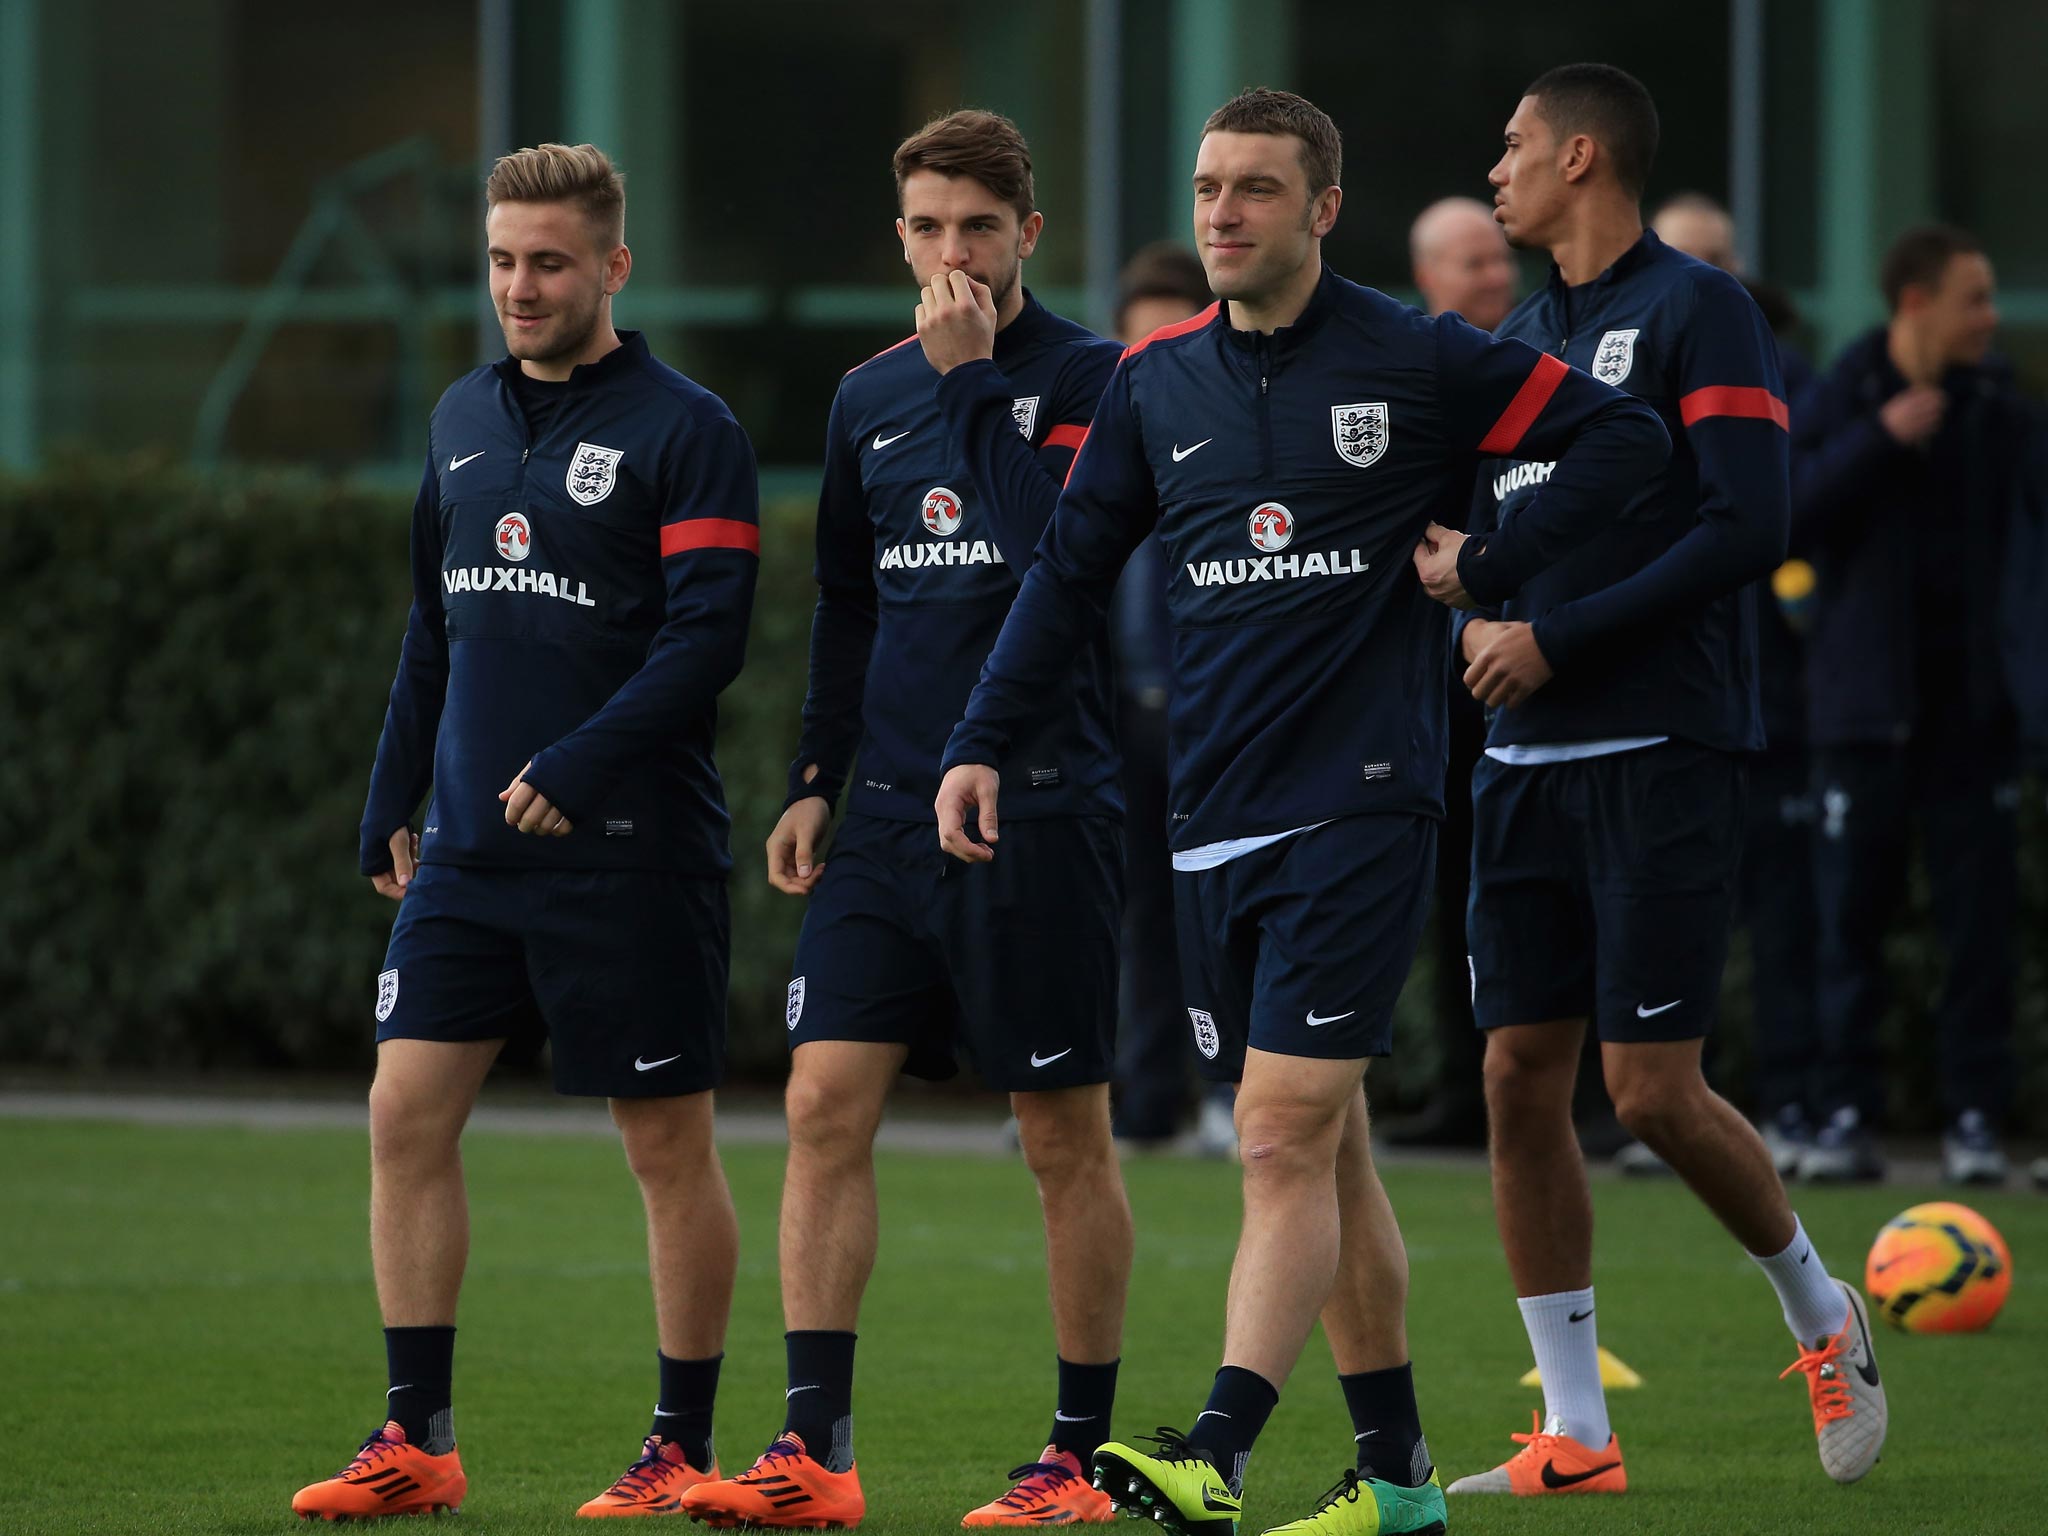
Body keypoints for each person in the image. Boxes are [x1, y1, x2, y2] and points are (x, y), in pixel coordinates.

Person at [935, 87, 1665, 1536]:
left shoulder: (1418, 354)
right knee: (1327, 1154)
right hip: (1211, 817)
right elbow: (1070, 574)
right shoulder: (1156, 382)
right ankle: (1397, 1480)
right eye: (1209, 188)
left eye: (1256, 190)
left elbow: (1628, 447)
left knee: (1274, 1139)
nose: (1222, 214)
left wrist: (1494, 559)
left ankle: (1214, 1446)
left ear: (1322, 210)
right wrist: (979, 742)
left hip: (1364, 802)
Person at [293, 142, 760, 1521]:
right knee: (402, 1113)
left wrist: (579, 758)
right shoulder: (458, 418)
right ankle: (416, 1443)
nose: (519, 286)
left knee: (664, 1144)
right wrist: (394, 794)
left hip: (632, 851)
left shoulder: (690, 428)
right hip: (471, 858)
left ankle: (678, 1445)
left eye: (548, 262)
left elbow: (706, 642)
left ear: (615, 266)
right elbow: (434, 631)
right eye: (501, 262)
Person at [677, 111, 1130, 1531]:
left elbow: (1066, 561)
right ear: (900, 237)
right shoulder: (866, 394)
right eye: (928, 230)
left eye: (978, 232)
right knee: (819, 1104)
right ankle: (814, 1453)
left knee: (1060, 1130)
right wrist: (815, 773)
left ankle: (1075, 1457)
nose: (952, 256)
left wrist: (977, 386)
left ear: (1029, 238)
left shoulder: (1097, 382)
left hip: (1041, 806)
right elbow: (852, 605)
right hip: (880, 814)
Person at [1440, 65, 1886, 1500]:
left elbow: (1751, 522)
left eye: (1512, 149)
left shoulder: (1701, 310)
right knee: (1517, 1079)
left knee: (1649, 1094)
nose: (1494, 170)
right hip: (1520, 768)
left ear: (1581, 157)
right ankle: (1577, 1431)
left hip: (1661, 751)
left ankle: (1823, 1313)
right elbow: (1507, 541)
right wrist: (1461, 584)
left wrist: (1554, 639)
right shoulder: (1521, 334)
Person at [1791, 224, 2034, 1187]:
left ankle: (1976, 1119)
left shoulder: (2000, 411)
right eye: (1975, 297)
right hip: (1863, 711)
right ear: (1917, 301)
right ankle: (1845, 1110)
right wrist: (1877, 445)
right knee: (1848, 919)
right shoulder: (1842, 396)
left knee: (1979, 927)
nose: (1991, 318)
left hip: (1973, 717)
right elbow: (1787, 513)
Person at [1607, 192, 1821, 1176]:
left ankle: (1795, 1104)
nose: (1698, 280)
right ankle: (1670, 1109)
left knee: (1783, 922)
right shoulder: (1586, 349)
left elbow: (1764, 517)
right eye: (1687, 257)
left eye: (1717, 259)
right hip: (1627, 713)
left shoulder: (1780, 374)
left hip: (1749, 701)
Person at [1382, 196, 1520, 1151]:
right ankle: (1461, 1092)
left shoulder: (1538, 367)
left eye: (1498, 258)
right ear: (1428, 279)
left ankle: (1576, 1100)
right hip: (1436, 679)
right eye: (1470, 264)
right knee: (1449, 889)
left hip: (1537, 665)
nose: (1494, 276)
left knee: (1535, 884)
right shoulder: (1409, 376)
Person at [1101, 242, 1231, 1154]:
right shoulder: (1102, 439)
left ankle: (1234, 1097)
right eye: (1136, 341)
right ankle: (1143, 1107)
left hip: (1220, 712)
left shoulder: (1234, 432)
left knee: (1224, 909)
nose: (1151, 357)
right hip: (1120, 713)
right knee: (1137, 912)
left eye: (1170, 336)